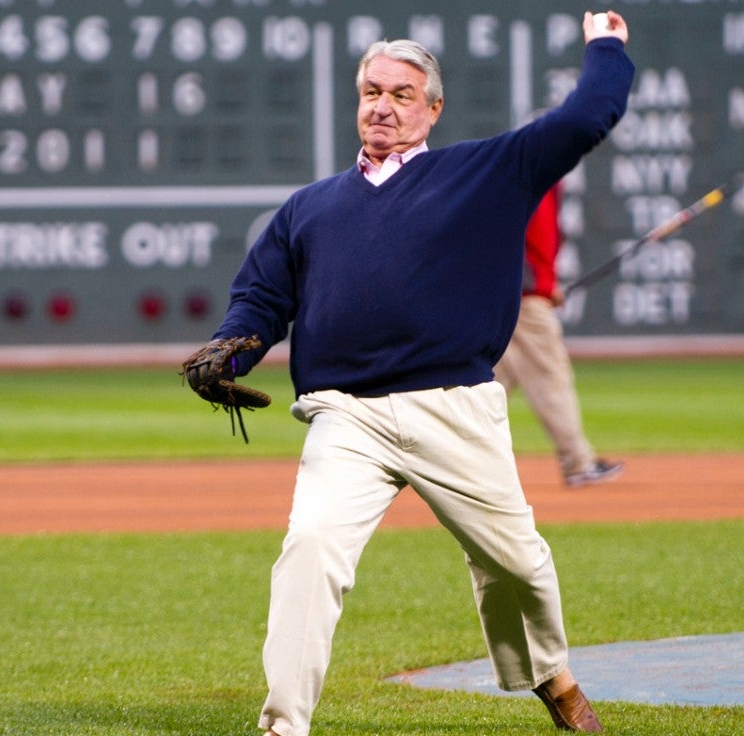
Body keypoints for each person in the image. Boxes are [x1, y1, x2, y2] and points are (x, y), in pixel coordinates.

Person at [183, 11, 633, 735]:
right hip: (347, 414)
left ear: (432, 108)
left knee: (519, 566)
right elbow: (260, 299)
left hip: (455, 408)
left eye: (401, 92)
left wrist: (605, 44)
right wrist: (231, 351)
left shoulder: (486, 173)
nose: (383, 105)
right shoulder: (310, 208)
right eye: (371, 90)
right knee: (311, 547)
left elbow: (587, 117)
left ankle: (551, 673)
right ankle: (282, 724)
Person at [495, 184, 625, 488]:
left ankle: (449, 466)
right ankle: (578, 462)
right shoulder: (532, 182)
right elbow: (504, 239)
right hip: (524, 304)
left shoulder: (540, 181)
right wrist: (533, 287)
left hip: (513, 298)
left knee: (486, 388)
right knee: (550, 379)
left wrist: (544, 285)